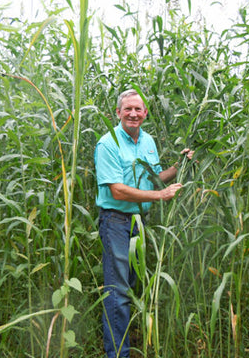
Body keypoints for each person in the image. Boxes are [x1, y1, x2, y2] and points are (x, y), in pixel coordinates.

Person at [94, 89, 193, 357]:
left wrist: (179, 165)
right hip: (115, 221)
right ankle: (118, 354)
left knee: (132, 285)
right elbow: (117, 190)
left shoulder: (147, 140)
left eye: (138, 109)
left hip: (139, 222)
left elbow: (154, 177)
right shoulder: (108, 143)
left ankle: (126, 339)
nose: (133, 114)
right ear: (118, 113)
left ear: (145, 113)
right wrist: (160, 195)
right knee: (118, 291)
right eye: (128, 109)